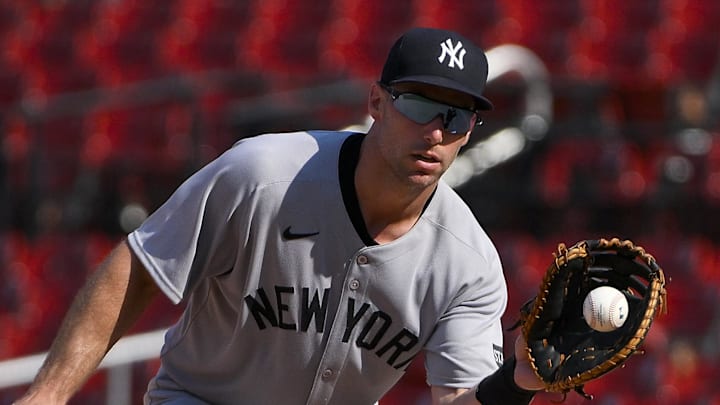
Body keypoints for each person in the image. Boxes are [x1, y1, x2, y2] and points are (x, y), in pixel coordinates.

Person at [14, 27, 543, 405]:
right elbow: (140, 266)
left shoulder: (469, 263)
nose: (436, 131)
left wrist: (515, 385)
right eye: (420, 104)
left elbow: (455, 397)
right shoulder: (261, 174)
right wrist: (49, 395)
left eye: (455, 115)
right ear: (377, 102)